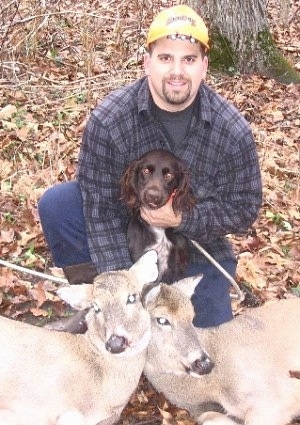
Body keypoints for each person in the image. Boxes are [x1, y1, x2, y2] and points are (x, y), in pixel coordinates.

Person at [38, 5, 262, 329]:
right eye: (165, 57)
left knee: (208, 343)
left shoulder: (231, 130)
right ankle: (98, 306)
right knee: (60, 204)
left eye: (189, 59)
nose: (177, 71)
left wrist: (185, 218)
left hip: (196, 248)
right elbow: (99, 210)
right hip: (125, 238)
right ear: (147, 62)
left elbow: (244, 207)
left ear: (204, 66)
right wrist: (126, 290)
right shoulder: (110, 119)